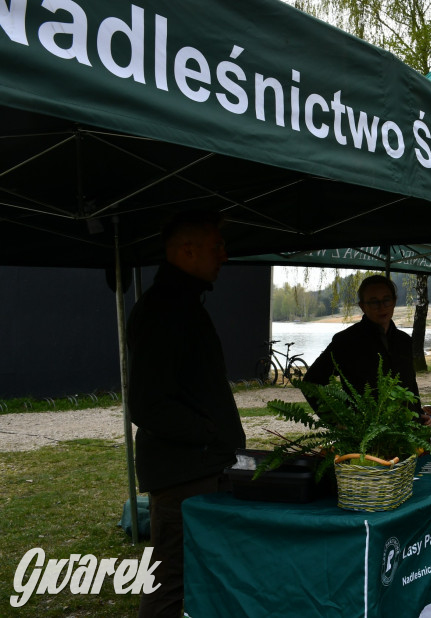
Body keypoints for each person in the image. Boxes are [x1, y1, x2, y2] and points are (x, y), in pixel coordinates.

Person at [127, 209, 246, 618]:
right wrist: (210, 432)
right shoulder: (163, 310)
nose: (224, 256)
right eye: (217, 247)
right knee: (170, 580)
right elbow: (147, 404)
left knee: (198, 574)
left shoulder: (184, 303)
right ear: (187, 250)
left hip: (200, 467)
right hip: (183, 475)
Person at [304, 275, 430, 424]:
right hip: (364, 436)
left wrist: (418, 413)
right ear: (363, 306)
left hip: (407, 435)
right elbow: (311, 382)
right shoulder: (346, 341)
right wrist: (337, 419)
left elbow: (410, 384)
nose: (382, 307)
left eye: (386, 300)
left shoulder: (405, 341)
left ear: (394, 301)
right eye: (374, 302)